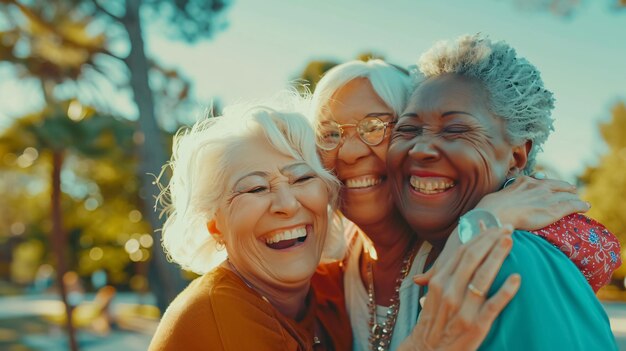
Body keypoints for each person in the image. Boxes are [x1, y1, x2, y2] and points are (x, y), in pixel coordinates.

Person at [147, 95, 521, 350]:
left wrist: (488, 209)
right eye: (255, 188)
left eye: (301, 178)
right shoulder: (216, 316)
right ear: (215, 226)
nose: (286, 204)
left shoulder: (328, 289)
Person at [311, 59, 620, 350]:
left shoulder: (497, 259)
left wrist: (476, 229)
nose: (349, 153)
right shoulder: (323, 273)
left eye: (374, 127)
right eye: (328, 134)